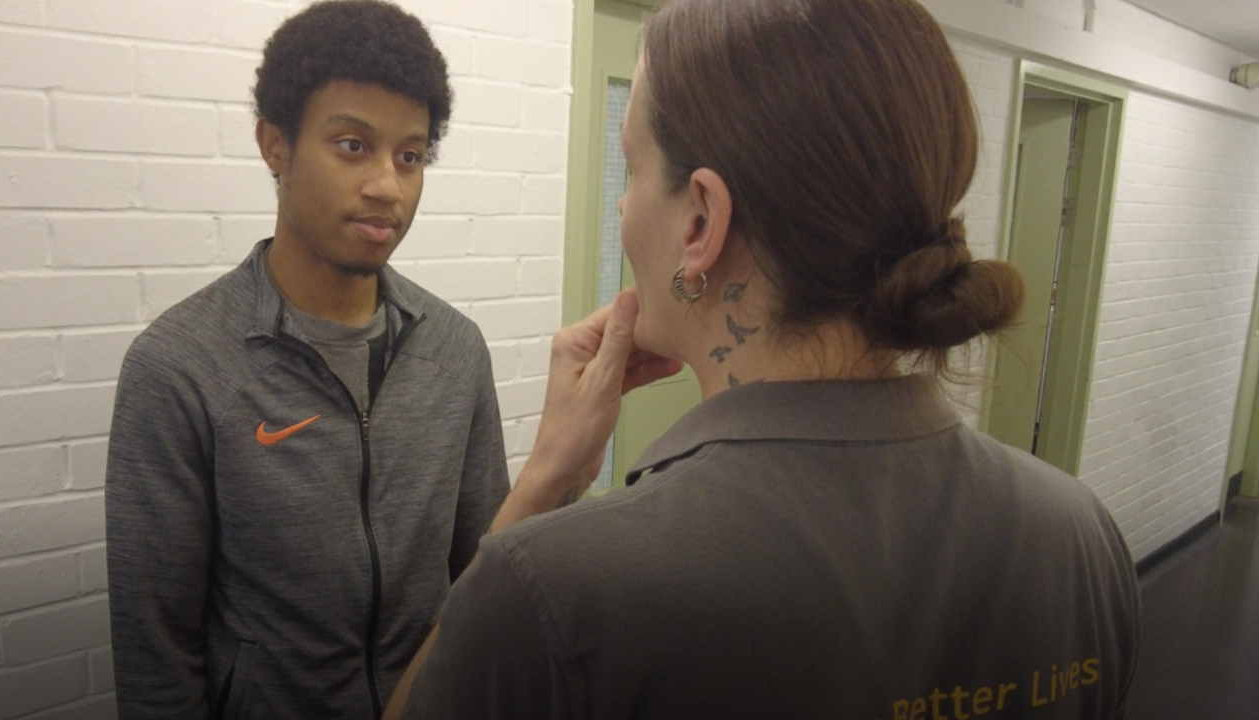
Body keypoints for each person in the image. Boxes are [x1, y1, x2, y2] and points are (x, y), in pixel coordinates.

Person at [393, 0, 1142, 717]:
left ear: (702, 220)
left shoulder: (552, 595)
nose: (621, 208)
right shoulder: (1079, 533)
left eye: (632, 167)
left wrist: (543, 484)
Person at [103, 2, 666, 718]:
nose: (387, 186)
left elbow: (483, 579)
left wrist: (567, 478)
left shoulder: (453, 351)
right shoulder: (181, 368)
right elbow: (157, 664)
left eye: (410, 156)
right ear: (274, 144)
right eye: (350, 145)